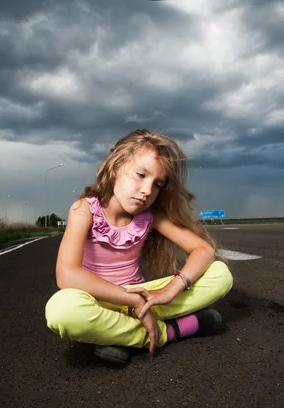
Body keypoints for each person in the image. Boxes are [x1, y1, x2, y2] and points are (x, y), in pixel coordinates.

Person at [45, 129, 233, 364]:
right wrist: (130, 299)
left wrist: (170, 290)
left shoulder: (150, 216)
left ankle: (117, 334)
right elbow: (66, 274)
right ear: (115, 167)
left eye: (157, 185)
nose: (147, 191)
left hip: (143, 300)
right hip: (98, 300)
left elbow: (203, 250)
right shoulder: (84, 209)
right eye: (140, 175)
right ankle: (169, 332)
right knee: (61, 310)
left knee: (220, 274)